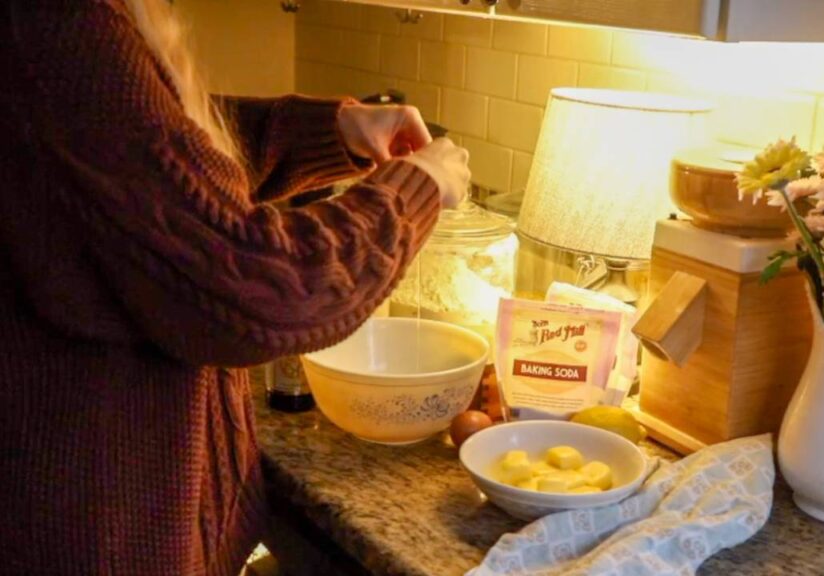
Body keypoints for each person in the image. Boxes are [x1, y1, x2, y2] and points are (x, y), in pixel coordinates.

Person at [0, 0, 471, 574]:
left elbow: (151, 157)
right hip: (91, 526)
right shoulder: (57, 21)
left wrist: (329, 132)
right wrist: (413, 189)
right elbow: (258, 289)